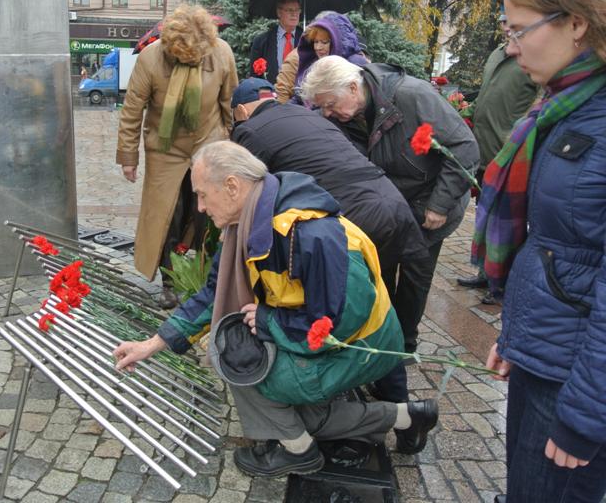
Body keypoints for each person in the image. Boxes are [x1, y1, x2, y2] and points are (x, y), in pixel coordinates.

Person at [113, 141, 440, 477]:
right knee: (296, 410)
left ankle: (298, 451)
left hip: (363, 346)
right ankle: (406, 416)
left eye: (201, 194)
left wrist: (270, 321)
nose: (199, 206)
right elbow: (212, 294)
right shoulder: (251, 219)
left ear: (231, 186)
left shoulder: (310, 233)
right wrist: (152, 344)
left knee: (241, 360)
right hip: (329, 339)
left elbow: (340, 321)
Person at [478, 0, 606, 500]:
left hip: (576, 381)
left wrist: (586, 412)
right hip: (548, 352)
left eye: (519, 30)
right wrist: (517, 337)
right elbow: (554, 246)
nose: (510, 48)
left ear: (575, 23)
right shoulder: (563, 103)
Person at [230, 77, 428, 402]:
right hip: (392, 202)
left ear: (240, 111)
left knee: (344, 310)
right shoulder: (307, 115)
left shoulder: (249, 132)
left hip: (355, 214)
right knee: (380, 304)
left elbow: (249, 195)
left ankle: (351, 405)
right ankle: (399, 404)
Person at [301, 56, 479, 354]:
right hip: (390, 205)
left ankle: (404, 346)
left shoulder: (412, 96)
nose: (327, 113)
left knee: (414, 275)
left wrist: (439, 204)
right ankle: (383, 338)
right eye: (323, 107)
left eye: (330, 104)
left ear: (354, 88)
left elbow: (465, 147)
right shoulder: (346, 114)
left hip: (429, 205)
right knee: (378, 270)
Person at [116, 5, 238, 309]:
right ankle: (170, 282)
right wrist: (128, 156)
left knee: (209, 215)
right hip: (164, 147)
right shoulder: (151, 57)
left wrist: (234, 145)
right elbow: (132, 111)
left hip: (208, 144)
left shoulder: (221, 52)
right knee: (166, 218)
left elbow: (231, 103)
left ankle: (210, 280)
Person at [456, 2, 539, 303]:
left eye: (511, 22)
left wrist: (518, 132)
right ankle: (484, 273)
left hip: (508, 151)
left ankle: (501, 283)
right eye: (504, 21)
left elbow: (539, 100)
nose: (506, 26)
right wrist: (464, 110)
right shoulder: (496, 54)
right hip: (483, 147)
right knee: (484, 216)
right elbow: (488, 93)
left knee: (507, 221)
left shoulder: (529, 57)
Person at [275, 12, 367, 104]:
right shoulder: (312, 63)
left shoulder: (354, 63)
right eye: (316, 42)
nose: (318, 47)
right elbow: (299, 98)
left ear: (337, 42)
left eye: (324, 42)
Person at [249, 0, 303, 83]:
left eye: (297, 10)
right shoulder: (261, 41)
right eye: (289, 10)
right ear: (279, 12)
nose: (294, 14)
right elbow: (254, 77)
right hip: (271, 93)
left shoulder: (307, 40)